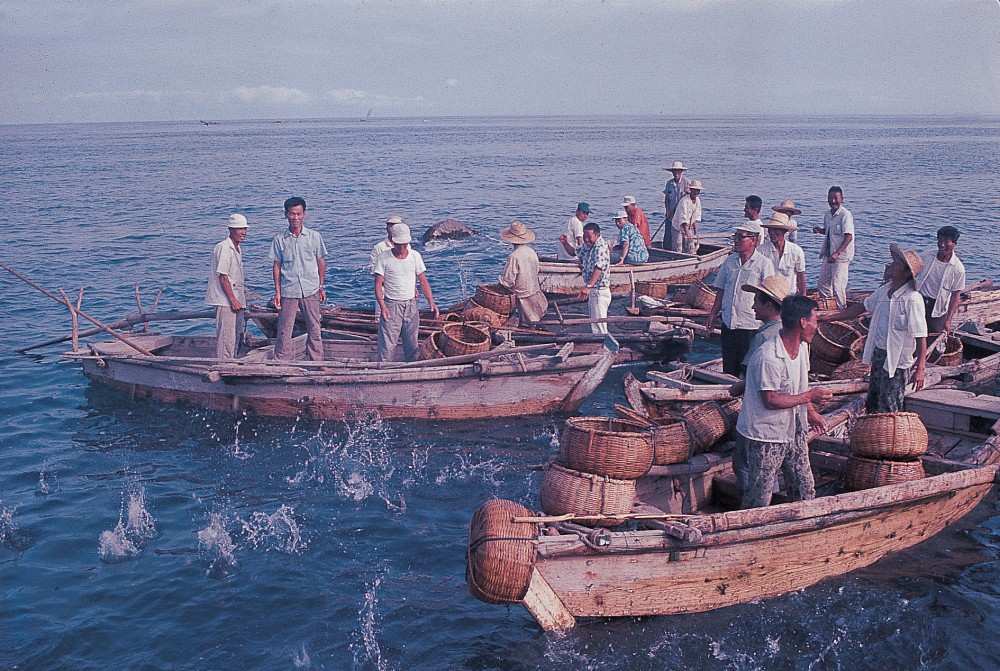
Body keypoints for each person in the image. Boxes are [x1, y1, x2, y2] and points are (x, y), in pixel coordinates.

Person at [736, 294, 831, 509]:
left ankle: (803, 522)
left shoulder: (802, 348)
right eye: (815, 321)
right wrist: (809, 397)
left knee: (804, 488)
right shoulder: (768, 356)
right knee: (759, 495)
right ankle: (751, 526)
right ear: (803, 322)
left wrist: (810, 412)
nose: (816, 326)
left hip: (794, 428)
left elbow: (799, 385)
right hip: (766, 434)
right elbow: (770, 400)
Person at [822, 244, 927, 413]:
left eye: (897, 263)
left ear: (907, 273)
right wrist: (828, 317)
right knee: (874, 399)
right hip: (879, 353)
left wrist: (920, 368)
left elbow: (921, 336)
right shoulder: (884, 290)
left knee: (890, 405)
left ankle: (890, 428)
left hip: (897, 360)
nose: (892, 265)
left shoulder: (912, 299)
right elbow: (861, 307)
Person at [706, 220, 775, 376]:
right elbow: (721, 290)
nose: (736, 240)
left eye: (741, 237)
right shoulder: (729, 261)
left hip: (750, 325)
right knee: (729, 369)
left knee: (749, 369)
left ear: (754, 240)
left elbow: (769, 295)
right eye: (735, 236)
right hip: (729, 323)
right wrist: (713, 314)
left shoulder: (764, 264)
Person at [270, 196, 328, 361]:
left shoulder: (314, 236)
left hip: (311, 289)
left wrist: (321, 286)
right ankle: (281, 362)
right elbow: (277, 266)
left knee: (314, 328)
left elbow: (321, 262)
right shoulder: (279, 239)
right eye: (292, 213)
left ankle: (317, 362)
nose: (295, 217)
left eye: (298, 213)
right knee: (284, 329)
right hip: (289, 290)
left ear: (304, 214)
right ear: (286, 214)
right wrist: (277, 292)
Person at [373, 223, 439, 362]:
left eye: (404, 245)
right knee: (387, 345)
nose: (401, 248)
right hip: (391, 305)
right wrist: (383, 306)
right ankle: (383, 369)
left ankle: (411, 368)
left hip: (411, 305)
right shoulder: (383, 258)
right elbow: (378, 284)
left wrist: (431, 302)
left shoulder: (415, 256)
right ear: (393, 241)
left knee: (412, 344)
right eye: (398, 245)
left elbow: (423, 281)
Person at [205, 213, 249, 359]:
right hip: (226, 301)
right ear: (230, 230)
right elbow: (223, 277)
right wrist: (233, 300)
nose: (243, 232)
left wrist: (239, 300)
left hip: (236, 300)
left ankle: (232, 364)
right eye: (240, 229)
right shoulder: (224, 247)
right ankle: (224, 366)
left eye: (244, 229)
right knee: (226, 340)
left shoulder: (236, 248)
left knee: (236, 337)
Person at [915, 226, 965, 333]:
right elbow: (911, 272)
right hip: (918, 301)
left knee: (934, 336)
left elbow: (955, 296)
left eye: (946, 242)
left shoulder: (958, 268)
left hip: (938, 308)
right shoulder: (926, 256)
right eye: (940, 240)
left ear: (955, 244)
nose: (942, 245)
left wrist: (948, 320)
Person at [498, 221, 549, 326]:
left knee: (526, 321)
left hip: (522, 293)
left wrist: (501, 284)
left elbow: (508, 280)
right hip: (534, 289)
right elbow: (536, 269)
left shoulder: (514, 256)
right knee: (534, 316)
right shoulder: (531, 251)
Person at [812, 186, 855, 308]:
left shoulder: (845, 215)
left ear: (842, 199)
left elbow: (848, 237)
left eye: (836, 198)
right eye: (830, 198)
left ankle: (842, 310)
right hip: (828, 254)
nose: (833, 201)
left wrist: (837, 253)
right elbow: (829, 232)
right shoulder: (827, 215)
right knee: (822, 284)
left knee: (838, 285)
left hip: (841, 257)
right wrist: (819, 230)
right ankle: (830, 307)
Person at [573, 222, 612, 334]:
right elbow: (575, 252)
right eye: (584, 236)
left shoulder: (601, 247)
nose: (586, 239)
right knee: (594, 323)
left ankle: (603, 342)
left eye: (589, 237)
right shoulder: (588, 245)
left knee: (599, 324)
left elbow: (598, 269)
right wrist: (565, 243)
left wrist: (588, 286)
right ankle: (598, 340)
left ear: (597, 235)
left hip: (599, 291)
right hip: (593, 291)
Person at [759, 211, 807, 296]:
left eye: (776, 229)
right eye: (770, 229)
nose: (772, 232)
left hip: (789, 295)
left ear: (784, 231)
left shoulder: (796, 251)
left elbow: (800, 275)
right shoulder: (761, 251)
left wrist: (803, 296)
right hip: (768, 294)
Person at [662, 161, 690, 250]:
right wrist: (667, 211)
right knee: (668, 234)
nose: (676, 173)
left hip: (682, 215)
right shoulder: (669, 183)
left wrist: (689, 192)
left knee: (682, 235)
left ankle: (685, 252)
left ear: (681, 171)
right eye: (674, 171)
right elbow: (667, 198)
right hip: (671, 213)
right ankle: (667, 251)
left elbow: (693, 198)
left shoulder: (687, 183)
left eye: (678, 171)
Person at [671, 179, 703, 253]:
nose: (696, 192)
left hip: (688, 226)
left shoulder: (698, 200)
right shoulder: (684, 201)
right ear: (691, 190)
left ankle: (691, 256)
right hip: (678, 226)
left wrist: (694, 224)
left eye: (698, 190)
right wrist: (687, 232)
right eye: (694, 190)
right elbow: (683, 218)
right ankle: (677, 258)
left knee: (691, 247)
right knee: (678, 248)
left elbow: (697, 213)